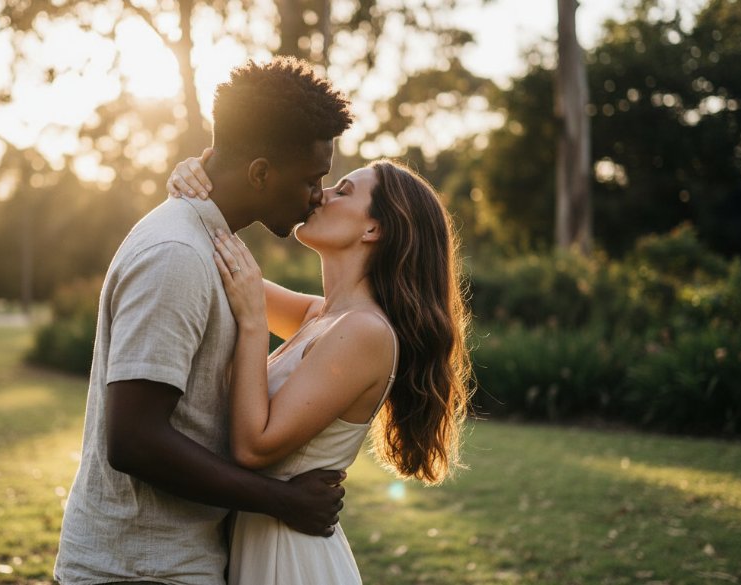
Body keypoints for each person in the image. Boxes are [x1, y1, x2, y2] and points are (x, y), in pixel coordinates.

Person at [53, 57, 354, 585]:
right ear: (261, 172)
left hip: (173, 562)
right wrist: (282, 501)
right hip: (137, 569)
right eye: (312, 179)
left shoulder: (213, 246)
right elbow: (133, 439)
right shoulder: (177, 254)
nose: (317, 195)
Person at [167, 156, 473, 583]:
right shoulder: (320, 316)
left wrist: (254, 323)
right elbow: (220, 265)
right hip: (257, 541)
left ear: (374, 229)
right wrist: (195, 182)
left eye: (342, 191)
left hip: (289, 559)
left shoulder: (365, 332)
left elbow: (254, 447)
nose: (319, 194)